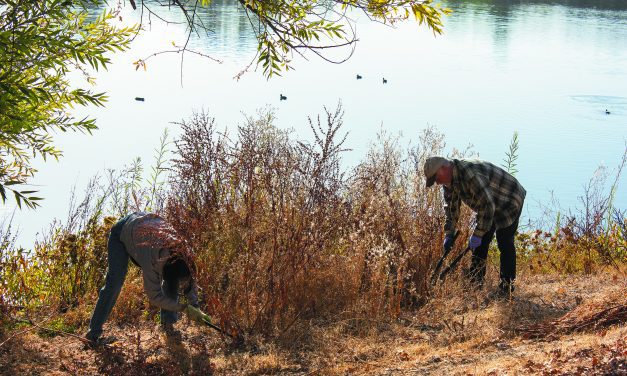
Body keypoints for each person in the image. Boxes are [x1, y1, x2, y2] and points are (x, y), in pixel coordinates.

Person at [85, 212, 211, 345]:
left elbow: (190, 277)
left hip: (146, 226)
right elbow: (154, 296)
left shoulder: (183, 250)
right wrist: (184, 308)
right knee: (115, 283)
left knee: (172, 279)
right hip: (122, 232)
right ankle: (93, 334)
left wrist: (195, 306)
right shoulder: (151, 258)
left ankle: (168, 327)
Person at [423, 157, 526, 297]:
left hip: (509, 198)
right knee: (480, 244)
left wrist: (478, 234)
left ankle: (506, 289)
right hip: (489, 202)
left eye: (436, 178)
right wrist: (449, 234)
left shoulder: (470, 174)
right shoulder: (448, 182)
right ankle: (475, 284)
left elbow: (488, 206)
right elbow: (451, 209)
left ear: (443, 168)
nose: (437, 182)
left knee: (505, 242)